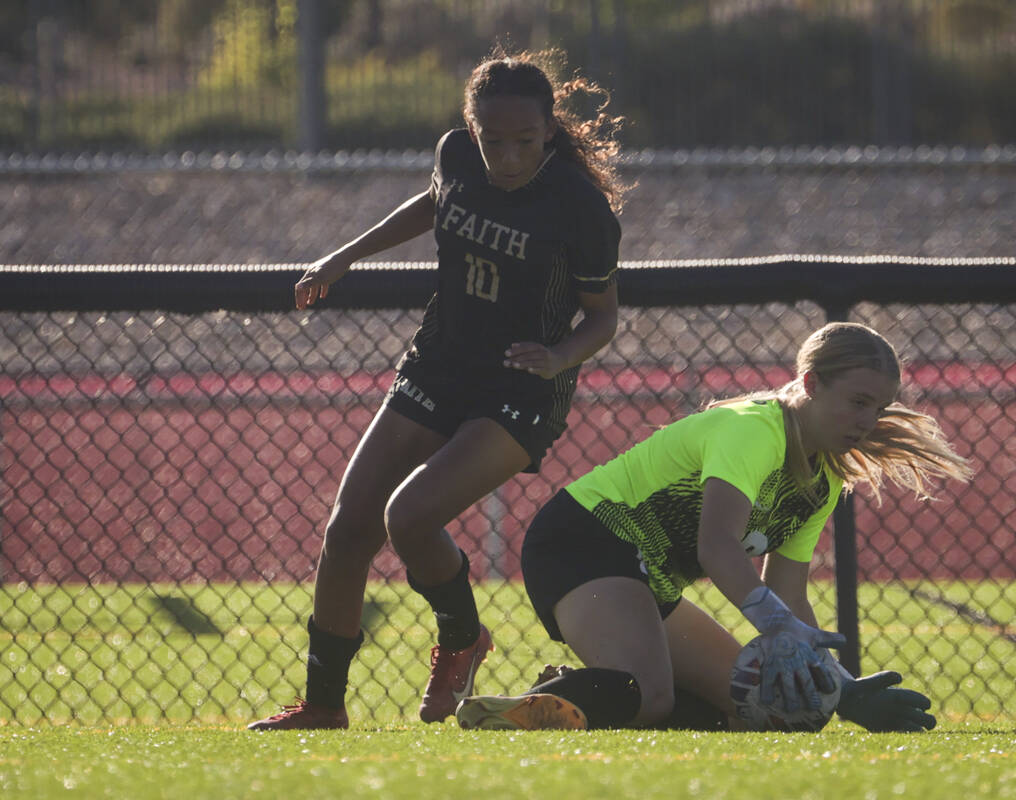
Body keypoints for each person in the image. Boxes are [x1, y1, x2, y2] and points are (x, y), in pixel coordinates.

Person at [249, 49, 627, 730]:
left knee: (410, 516)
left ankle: (461, 639)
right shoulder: (456, 154)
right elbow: (436, 200)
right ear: (470, 128)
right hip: (438, 363)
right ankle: (324, 706)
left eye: (523, 141)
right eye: (492, 140)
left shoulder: (579, 206)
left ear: (548, 130)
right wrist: (345, 255)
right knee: (349, 528)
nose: (506, 156)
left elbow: (602, 319)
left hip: (520, 384)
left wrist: (559, 356)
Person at [454, 322, 974, 732]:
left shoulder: (825, 480)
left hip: (647, 578)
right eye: (858, 402)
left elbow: (786, 592)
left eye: (878, 409)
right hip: (585, 540)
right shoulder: (754, 431)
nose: (867, 421)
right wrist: (782, 631)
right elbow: (717, 548)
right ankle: (547, 704)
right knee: (652, 696)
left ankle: (579, 693)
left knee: (775, 712)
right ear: (811, 384)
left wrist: (842, 690)